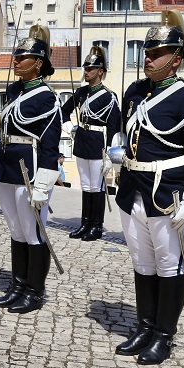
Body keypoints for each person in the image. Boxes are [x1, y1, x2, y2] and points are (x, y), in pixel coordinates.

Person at [113, 9, 184, 365]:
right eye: (147, 51)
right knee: (142, 262)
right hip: (133, 187)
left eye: (157, 53)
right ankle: (144, 326)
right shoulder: (135, 90)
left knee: (169, 264)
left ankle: (164, 335)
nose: (148, 58)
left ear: (177, 58)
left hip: (168, 191)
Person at [0, 28, 62, 313]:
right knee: (16, 230)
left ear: (39, 63)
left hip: (28, 169)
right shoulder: (15, 90)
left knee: (33, 233)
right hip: (6, 165)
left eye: (23, 57)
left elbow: (50, 143)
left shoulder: (46, 97)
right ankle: (18, 285)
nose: (16, 60)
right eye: (16, 55)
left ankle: (35, 291)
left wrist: (43, 185)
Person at [61, 46, 120, 240]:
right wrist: (70, 128)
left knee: (97, 187)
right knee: (86, 186)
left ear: (100, 71)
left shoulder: (109, 96)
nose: (86, 72)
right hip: (82, 141)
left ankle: (96, 225)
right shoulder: (81, 93)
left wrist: (111, 152)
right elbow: (64, 111)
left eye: (90, 69)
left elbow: (113, 126)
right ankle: (85, 223)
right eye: (85, 69)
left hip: (98, 144)